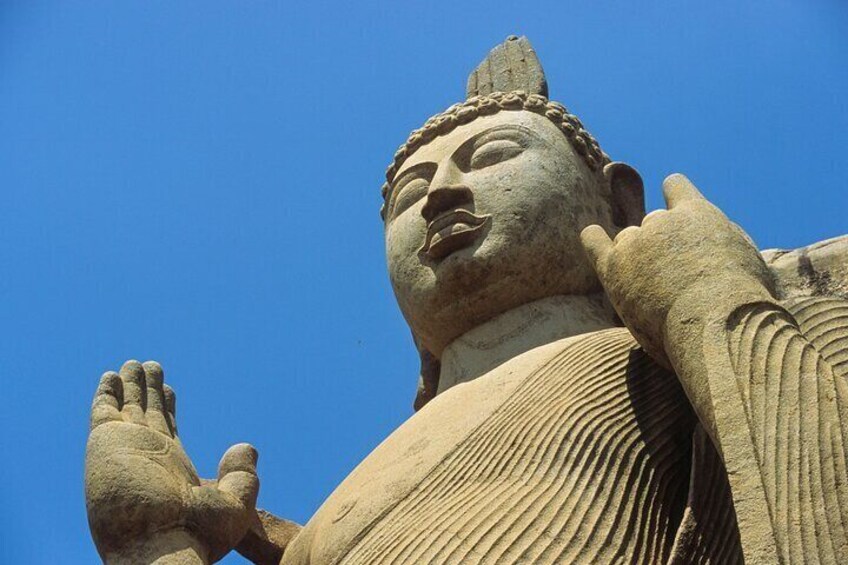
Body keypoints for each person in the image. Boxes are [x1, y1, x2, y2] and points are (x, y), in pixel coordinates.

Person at [85, 36, 848, 564]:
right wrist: (160, 540)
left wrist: (720, 302)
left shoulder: (710, 313)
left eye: (493, 157)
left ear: (617, 201)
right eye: (411, 193)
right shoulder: (342, 505)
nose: (443, 191)